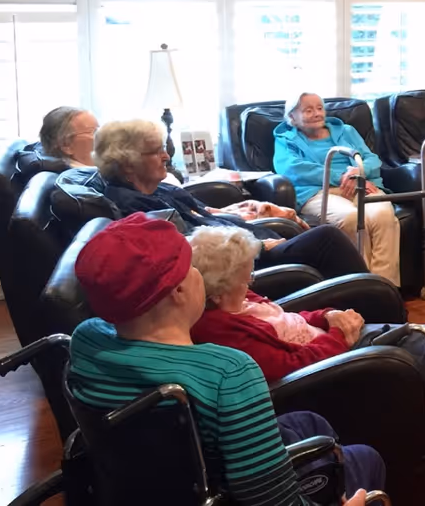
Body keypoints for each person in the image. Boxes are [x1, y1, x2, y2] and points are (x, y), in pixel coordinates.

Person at [186, 225, 425, 506]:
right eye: (246, 275)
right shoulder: (219, 327)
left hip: (329, 341)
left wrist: (328, 315)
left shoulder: (237, 298)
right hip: (326, 364)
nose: (253, 281)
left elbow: (283, 314)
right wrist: (338, 338)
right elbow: (285, 365)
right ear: (218, 289)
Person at [67, 213, 383, 506]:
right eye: (191, 266)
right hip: (224, 490)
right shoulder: (229, 374)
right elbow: (270, 499)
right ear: (178, 290)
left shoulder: (84, 340)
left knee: (311, 423)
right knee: (368, 457)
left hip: (148, 487)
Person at [93, 119, 369, 280]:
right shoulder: (138, 208)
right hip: (242, 263)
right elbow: (194, 248)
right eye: (156, 152)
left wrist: (241, 210)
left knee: (318, 239)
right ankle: (380, 312)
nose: (166, 156)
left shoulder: (157, 189)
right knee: (327, 239)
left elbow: (202, 214)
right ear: (127, 164)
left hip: (249, 241)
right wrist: (259, 244)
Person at [273, 92, 402, 286]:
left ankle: (385, 288)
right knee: (350, 219)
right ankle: (360, 287)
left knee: (383, 216)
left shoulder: (347, 131)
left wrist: (359, 171)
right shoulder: (286, 139)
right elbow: (292, 168)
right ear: (292, 117)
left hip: (361, 184)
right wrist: (341, 177)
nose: (317, 113)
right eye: (308, 110)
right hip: (318, 192)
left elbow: (372, 158)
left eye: (319, 108)